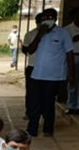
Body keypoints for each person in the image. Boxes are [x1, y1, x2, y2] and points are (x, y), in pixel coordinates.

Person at [26, 8, 75, 137]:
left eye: (50, 17)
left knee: (48, 103)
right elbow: (30, 51)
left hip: (54, 76)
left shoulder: (63, 33)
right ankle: (32, 129)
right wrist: (39, 35)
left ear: (55, 18)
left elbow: (69, 53)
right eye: (44, 18)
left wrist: (71, 73)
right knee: (34, 102)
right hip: (37, 74)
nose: (46, 20)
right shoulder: (36, 33)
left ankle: (48, 129)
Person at [64, 7, 79, 115]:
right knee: (72, 81)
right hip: (73, 56)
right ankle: (71, 105)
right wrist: (72, 40)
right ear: (73, 17)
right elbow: (63, 45)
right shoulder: (67, 29)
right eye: (78, 16)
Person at [22, 13, 44, 120]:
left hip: (48, 68)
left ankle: (44, 113)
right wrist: (39, 35)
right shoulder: (30, 34)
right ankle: (29, 112)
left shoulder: (56, 34)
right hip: (33, 66)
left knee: (46, 93)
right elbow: (26, 50)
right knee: (31, 92)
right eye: (39, 21)